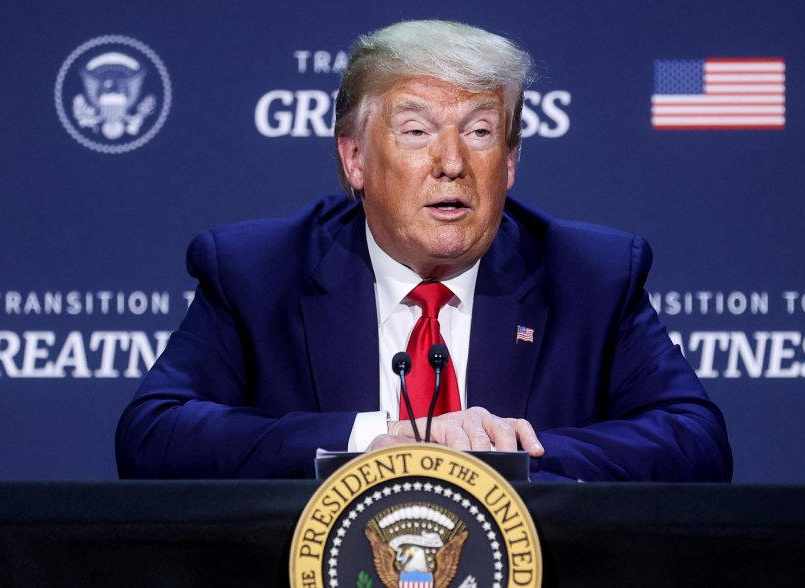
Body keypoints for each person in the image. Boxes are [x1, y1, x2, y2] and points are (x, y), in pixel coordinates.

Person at [116, 20, 732, 481]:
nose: (451, 163)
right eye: (416, 131)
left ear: (512, 161)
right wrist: (379, 440)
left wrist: (502, 456)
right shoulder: (258, 273)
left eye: (481, 132)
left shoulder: (589, 277)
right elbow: (152, 437)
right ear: (355, 158)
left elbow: (697, 443)